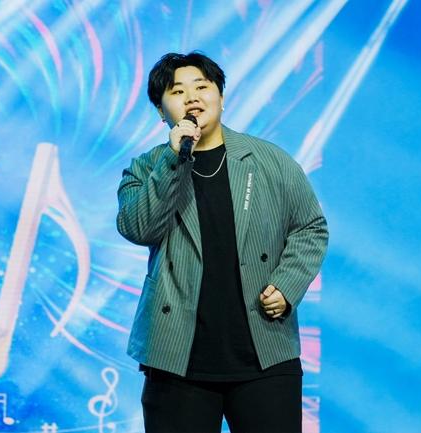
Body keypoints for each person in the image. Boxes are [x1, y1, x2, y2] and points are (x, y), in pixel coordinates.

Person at [116, 52, 328, 433]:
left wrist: (287, 285)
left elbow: (311, 227)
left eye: (202, 86)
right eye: (177, 91)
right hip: (177, 362)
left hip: (264, 355)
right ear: (161, 112)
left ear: (221, 97)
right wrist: (172, 159)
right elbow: (137, 227)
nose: (192, 97)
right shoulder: (145, 169)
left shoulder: (269, 160)